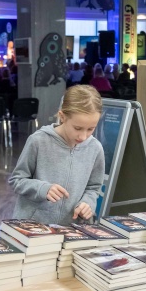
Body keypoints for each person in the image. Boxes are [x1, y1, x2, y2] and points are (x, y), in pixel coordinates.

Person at [9, 85, 105, 225]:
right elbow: (17, 180)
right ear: (62, 117)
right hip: (33, 227)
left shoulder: (95, 148)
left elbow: (93, 188)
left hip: (72, 229)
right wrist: (42, 189)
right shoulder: (38, 141)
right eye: (77, 128)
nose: (83, 136)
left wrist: (87, 203)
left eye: (91, 129)